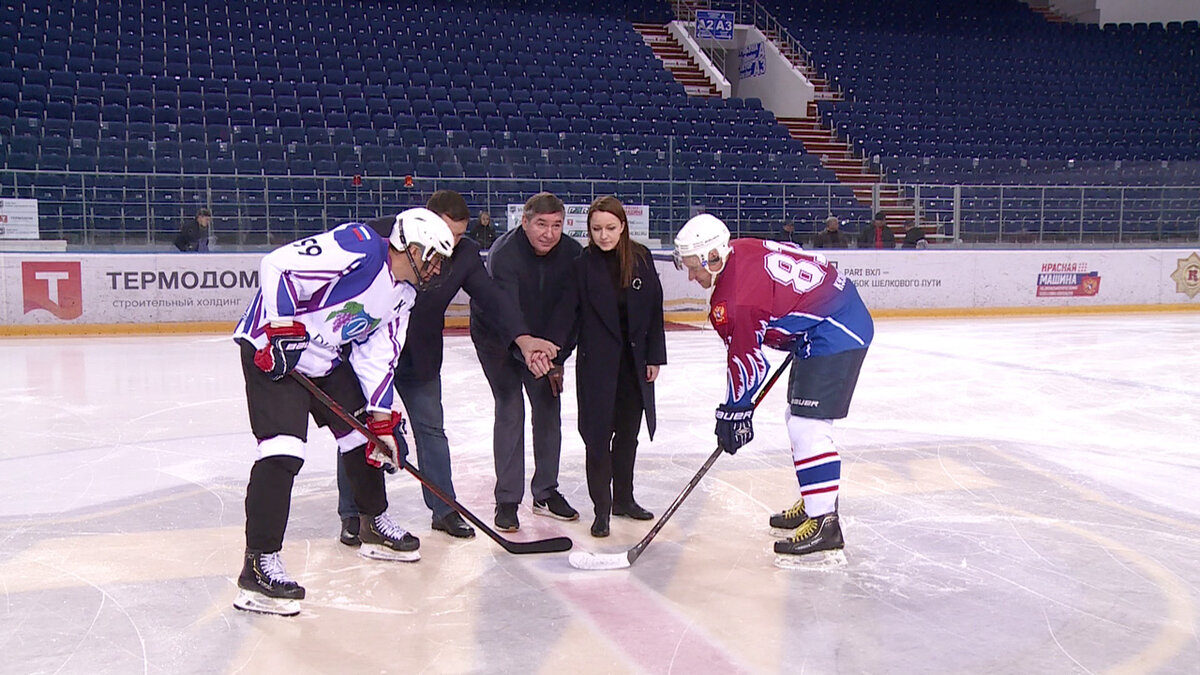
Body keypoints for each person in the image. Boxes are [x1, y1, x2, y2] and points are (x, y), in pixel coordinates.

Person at [231, 207, 455, 616]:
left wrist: (381, 418)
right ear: (411, 246)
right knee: (283, 452)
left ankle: (372, 523)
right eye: (433, 257)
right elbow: (278, 266)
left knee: (363, 435)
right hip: (273, 349)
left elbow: (379, 353)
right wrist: (281, 329)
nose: (437, 268)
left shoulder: (405, 295)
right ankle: (258, 566)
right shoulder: (360, 246)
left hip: (323, 357)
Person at [334, 191, 558, 544]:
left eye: (458, 236)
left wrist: (523, 338)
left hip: (420, 360)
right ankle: (353, 513)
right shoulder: (382, 236)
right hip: (368, 359)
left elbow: (492, 297)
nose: (450, 244)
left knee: (432, 433)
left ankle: (444, 509)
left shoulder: (465, 255)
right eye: (446, 234)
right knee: (358, 433)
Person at [672, 213, 874, 567]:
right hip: (825, 323)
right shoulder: (737, 250)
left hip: (838, 329)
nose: (691, 276)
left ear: (714, 257)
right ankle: (815, 500)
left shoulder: (735, 299)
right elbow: (799, 256)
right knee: (796, 416)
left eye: (694, 267)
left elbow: (748, 364)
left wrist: (735, 412)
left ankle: (825, 523)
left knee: (808, 424)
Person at [542, 196, 667, 538]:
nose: (604, 235)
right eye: (596, 229)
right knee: (597, 439)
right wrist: (555, 357)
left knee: (628, 436)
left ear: (623, 226)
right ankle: (601, 509)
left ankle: (623, 500)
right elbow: (568, 314)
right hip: (596, 367)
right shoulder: (582, 265)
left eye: (610, 228)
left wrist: (655, 355)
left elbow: (655, 310)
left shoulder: (640, 258)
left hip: (634, 367)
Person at [470, 192, 583, 532]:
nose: (549, 233)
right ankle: (507, 499)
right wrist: (526, 350)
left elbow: (570, 310)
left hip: (544, 344)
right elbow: (506, 310)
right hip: (499, 341)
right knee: (510, 408)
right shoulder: (504, 254)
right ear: (524, 221)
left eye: (557, 225)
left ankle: (546, 492)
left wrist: (554, 353)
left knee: (548, 409)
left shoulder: (573, 255)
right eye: (541, 224)